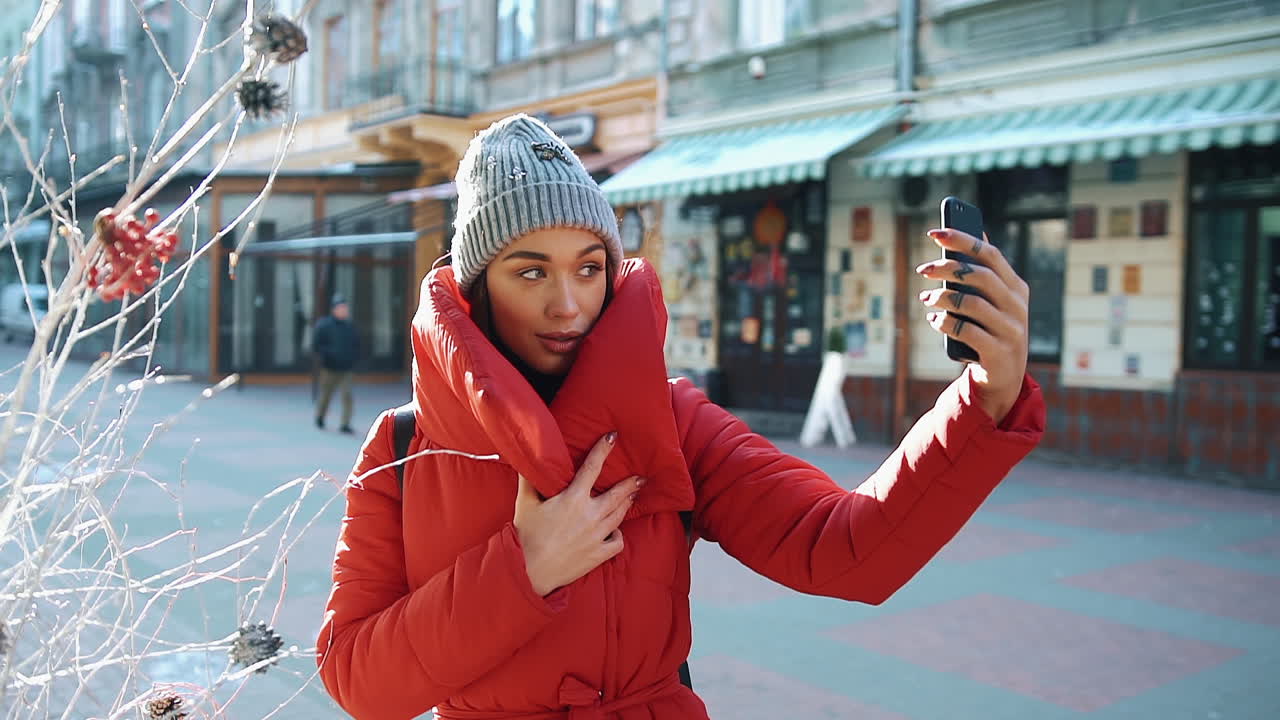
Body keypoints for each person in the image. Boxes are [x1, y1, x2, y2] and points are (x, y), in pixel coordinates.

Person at [316, 115, 1045, 720]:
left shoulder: (668, 420)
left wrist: (988, 394)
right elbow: (358, 679)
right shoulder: (405, 448)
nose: (568, 303)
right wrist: (523, 571)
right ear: (477, 285)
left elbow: (848, 550)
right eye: (530, 270)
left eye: (589, 267)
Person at [312, 295, 359, 434]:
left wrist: (353, 358)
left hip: (346, 368)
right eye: (340, 308)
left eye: (345, 308)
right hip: (329, 367)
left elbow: (356, 345)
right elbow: (317, 345)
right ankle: (320, 416)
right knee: (326, 394)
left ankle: (345, 423)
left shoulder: (349, 326)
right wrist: (328, 355)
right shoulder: (324, 325)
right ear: (334, 309)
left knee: (347, 395)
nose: (344, 311)